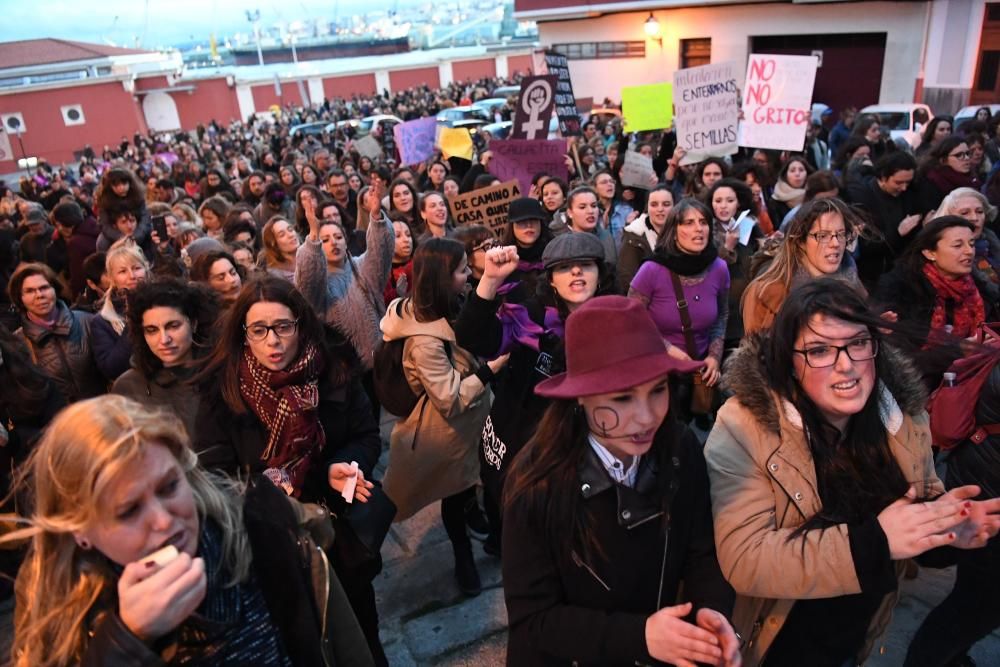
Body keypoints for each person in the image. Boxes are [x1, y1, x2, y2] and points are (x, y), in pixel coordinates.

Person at [705, 278, 1000, 667]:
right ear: (789, 363)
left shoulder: (901, 416)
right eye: (820, 350)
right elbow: (746, 558)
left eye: (858, 343)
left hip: (857, 635)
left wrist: (945, 531)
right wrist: (877, 543)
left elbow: (917, 504)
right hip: (777, 641)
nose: (846, 365)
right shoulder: (745, 425)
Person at [6, 394, 373, 666]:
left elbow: (342, 642)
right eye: (129, 511)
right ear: (80, 532)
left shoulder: (258, 521)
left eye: (169, 487)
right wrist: (127, 641)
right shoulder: (58, 612)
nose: (164, 521)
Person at [502, 295, 738, 667]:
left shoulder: (680, 447)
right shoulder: (537, 484)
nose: (646, 418)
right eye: (622, 398)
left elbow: (701, 549)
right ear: (580, 397)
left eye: (658, 390)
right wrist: (639, 636)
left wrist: (713, 610)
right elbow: (533, 621)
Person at [192, 276, 388, 664]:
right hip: (268, 542)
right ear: (243, 334)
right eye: (259, 330)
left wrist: (340, 465)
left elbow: (366, 435)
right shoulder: (222, 388)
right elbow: (213, 475)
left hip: (335, 532)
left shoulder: (335, 365)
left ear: (300, 323)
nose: (273, 341)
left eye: (283, 327)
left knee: (360, 633)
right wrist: (263, 492)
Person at [453, 232, 609, 554]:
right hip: (522, 447)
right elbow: (472, 336)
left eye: (584, 265)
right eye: (565, 267)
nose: (576, 272)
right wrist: (490, 282)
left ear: (599, 273)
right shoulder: (530, 315)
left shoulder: (616, 317)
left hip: (586, 453)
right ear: (551, 278)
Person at [381, 238, 508, 596]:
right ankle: (463, 557)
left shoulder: (454, 304)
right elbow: (450, 399)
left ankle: (487, 530)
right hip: (449, 430)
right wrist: (490, 371)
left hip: (479, 419)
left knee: (483, 482)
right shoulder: (423, 341)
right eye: (463, 270)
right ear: (441, 277)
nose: (470, 274)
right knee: (456, 493)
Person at [904, 352, 1000, 666]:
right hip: (987, 491)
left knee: (974, 597)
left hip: (979, 476)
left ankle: (951, 657)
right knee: (978, 603)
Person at [628, 198, 729, 422]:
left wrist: (714, 357)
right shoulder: (651, 270)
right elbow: (632, 320)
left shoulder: (719, 268)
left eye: (703, 222)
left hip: (699, 373)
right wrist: (668, 349)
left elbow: (721, 316)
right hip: (659, 374)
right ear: (674, 231)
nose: (698, 229)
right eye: (689, 223)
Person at [296, 183, 392, 373]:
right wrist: (313, 236)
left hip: (382, 361)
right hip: (344, 371)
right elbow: (307, 281)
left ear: (346, 240)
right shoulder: (319, 284)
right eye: (325, 240)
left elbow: (381, 252)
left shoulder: (362, 266)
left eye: (338, 237)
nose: (333, 243)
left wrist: (376, 216)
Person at [111, 278, 218, 438]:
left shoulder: (221, 372)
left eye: (173, 326)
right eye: (152, 330)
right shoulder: (127, 386)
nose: (164, 339)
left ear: (193, 323)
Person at [743, 198, 866, 334]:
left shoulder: (851, 280)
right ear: (800, 241)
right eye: (822, 235)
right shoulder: (768, 291)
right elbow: (757, 352)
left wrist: (873, 331)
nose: (835, 243)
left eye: (841, 234)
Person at [8, 262, 104, 402]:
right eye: (29, 291)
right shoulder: (17, 344)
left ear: (55, 289)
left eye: (44, 287)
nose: (39, 295)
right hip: (59, 421)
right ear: (20, 299)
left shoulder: (88, 322)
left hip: (102, 411)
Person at [846, 151, 922, 286]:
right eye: (898, 182)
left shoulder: (910, 194)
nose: (904, 188)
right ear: (882, 177)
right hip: (875, 275)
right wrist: (899, 233)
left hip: (905, 270)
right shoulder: (862, 199)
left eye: (908, 182)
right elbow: (866, 245)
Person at [708, 179, 765, 347]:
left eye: (729, 201)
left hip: (748, 307)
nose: (723, 206)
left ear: (738, 203)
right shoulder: (706, 230)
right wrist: (728, 247)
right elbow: (711, 270)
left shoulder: (750, 225)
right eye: (718, 201)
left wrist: (769, 246)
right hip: (721, 309)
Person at [90, 240, 150, 381]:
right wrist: (132, 317)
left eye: (136, 268)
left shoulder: (165, 301)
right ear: (112, 278)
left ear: (146, 269)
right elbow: (112, 369)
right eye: (123, 271)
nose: (132, 276)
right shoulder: (102, 321)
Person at [938, 186, 1000, 285]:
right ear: (948, 217)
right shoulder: (944, 253)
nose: (974, 218)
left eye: (979, 211)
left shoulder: (990, 241)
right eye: (964, 213)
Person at [618, 186, 673, 289]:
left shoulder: (684, 233)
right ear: (647, 208)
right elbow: (627, 282)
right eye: (654, 205)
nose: (660, 209)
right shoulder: (634, 237)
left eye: (666, 204)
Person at [551, 186, 617, 271]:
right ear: (570, 212)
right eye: (582, 207)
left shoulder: (606, 237)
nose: (590, 211)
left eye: (593, 206)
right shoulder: (556, 240)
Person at [499, 197, 552, 294]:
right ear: (512, 226)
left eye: (534, 219)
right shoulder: (501, 259)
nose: (529, 225)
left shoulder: (555, 253)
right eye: (521, 221)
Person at [918, 136, 981, 211]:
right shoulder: (932, 182)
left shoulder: (972, 179)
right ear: (943, 160)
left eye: (967, 153)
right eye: (959, 155)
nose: (966, 158)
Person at [768, 156, 812, 224]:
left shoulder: (813, 197)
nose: (797, 174)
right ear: (785, 175)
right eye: (792, 170)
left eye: (801, 170)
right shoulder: (774, 202)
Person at [384, 215, 414, 306]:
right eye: (398, 236)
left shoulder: (422, 263)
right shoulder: (382, 274)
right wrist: (397, 294)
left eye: (408, 235)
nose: (406, 240)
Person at [260, 216, 300, 282]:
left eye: (290, 229)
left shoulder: (311, 256)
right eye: (282, 235)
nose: (290, 235)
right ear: (274, 244)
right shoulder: (273, 276)